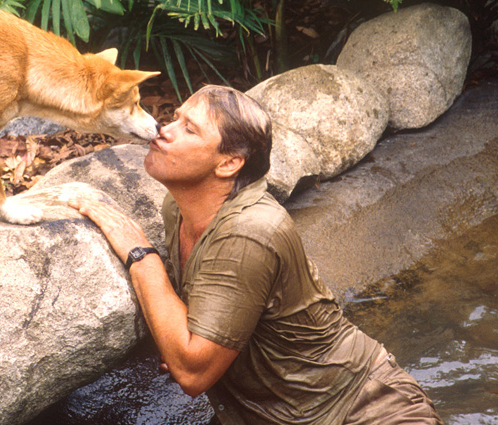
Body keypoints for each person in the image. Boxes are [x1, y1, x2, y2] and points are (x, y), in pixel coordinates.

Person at [69, 85, 442, 425]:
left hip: (365, 410)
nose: (164, 129)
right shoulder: (178, 208)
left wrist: (141, 254)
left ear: (228, 163)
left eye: (189, 128)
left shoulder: (250, 232)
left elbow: (193, 373)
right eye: (176, 117)